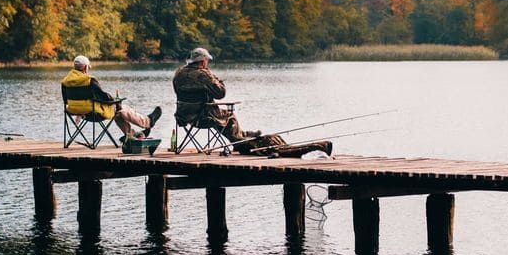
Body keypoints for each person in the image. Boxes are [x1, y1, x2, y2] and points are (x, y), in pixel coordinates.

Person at [172, 47, 332, 158]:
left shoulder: (179, 73)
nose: (208, 63)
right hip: (204, 117)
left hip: (185, 117)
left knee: (224, 119)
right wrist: (215, 77)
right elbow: (221, 93)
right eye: (207, 61)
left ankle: (244, 136)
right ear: (203, 62)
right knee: (230, 115)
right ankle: (240, 141)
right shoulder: (203, 74)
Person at [62, 55, 162, 139]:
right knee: (121, 108)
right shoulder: (89, 80)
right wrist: (114, 100)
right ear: (84, 67)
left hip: (75, 112)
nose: (88, 69)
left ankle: (132, 135)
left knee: (118, 112)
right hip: (93, 113)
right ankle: (148, 122)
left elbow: (65, 101)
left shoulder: (65, 81)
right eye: (88, 67)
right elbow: (104, 97)